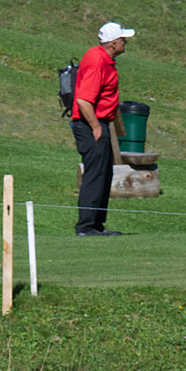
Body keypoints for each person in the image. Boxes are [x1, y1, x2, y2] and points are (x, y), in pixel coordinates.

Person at [72, 21, 132, 237]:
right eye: (123, 40)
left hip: (97, 123)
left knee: (103, 174)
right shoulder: (98, 62)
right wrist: (96, 128)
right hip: (90, 124)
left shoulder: (102, 57)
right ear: (114, 43)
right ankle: (86, 227)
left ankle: (96, 225)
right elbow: (83, 100)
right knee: (95, 174)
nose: (125, 43)